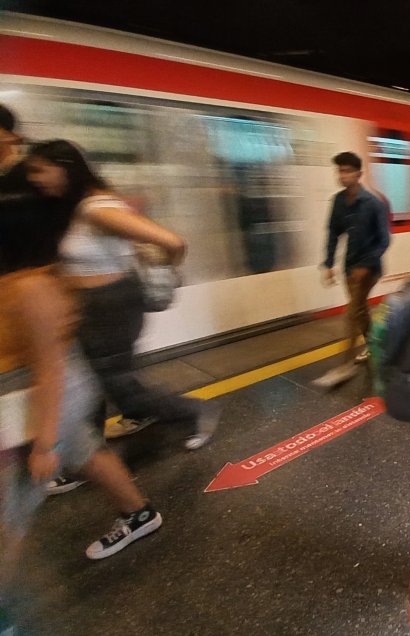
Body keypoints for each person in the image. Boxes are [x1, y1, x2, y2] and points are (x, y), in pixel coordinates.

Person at [0, 191, 164, 631]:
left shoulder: (31, 288)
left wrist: (43, 444)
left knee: (9, 511)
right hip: (40, 399)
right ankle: (139, 513)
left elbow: (51, 371)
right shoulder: (24, 281)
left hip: (43, 402)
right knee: (86, 450)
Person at [24, 141, 220, 492]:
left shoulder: (96, 210)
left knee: (119, 388)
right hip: (96, 306)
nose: (36, 179)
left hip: (111, 307)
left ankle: (194, 411)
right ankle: (84, 457)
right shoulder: (86, 205)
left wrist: (165, 275)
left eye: (40, 170)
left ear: (64, 166)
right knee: (94, 384)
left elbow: (172, 241)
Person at [315, 151, 392, 388]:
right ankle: (378, 349)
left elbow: (384, 240)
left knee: (351, 314)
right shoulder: (338, 201)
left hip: (370, 269)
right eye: (340, 170)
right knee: (360, 314)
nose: (343, 175)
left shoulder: (373, 203)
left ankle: (344, 366)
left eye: (348, 171)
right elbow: (333, 233)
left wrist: (365, 265)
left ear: (359, 174)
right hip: (349, 267)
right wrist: (328, 264)